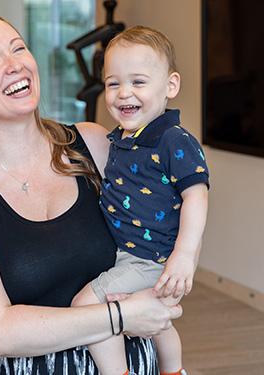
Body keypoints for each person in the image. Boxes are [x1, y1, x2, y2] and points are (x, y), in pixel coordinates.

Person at [0, 12, 183, 374]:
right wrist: (120, 316)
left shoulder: (94, 145)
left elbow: (157, 233)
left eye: (18, 49)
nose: (14, 65)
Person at [70, 26, 208, 375]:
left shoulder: (173, 140)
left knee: (88, 307)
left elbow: (196, 195)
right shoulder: (122, 138)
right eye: (114, 83)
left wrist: (185, 257)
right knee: (159, 325)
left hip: (148, 259)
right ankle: (174, 370)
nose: (123, 93)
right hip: (128, 255)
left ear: (170, 86)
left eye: (138, 82)